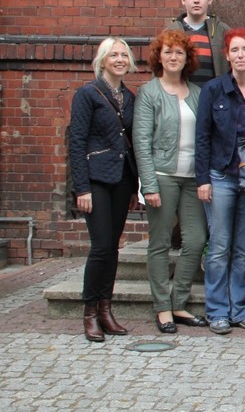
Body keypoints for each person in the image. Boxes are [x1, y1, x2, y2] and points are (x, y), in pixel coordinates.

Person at [195, 28, 245, 335]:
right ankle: (216, 310)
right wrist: (202, 179)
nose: (240, 55)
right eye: (235, 50)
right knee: (219, 245)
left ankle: (238, 309)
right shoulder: (213, 90)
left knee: (242, 248)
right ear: (227, 56)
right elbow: (202, 137)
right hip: (221, 175)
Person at [133, 30, 207, 334]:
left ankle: (178, 302)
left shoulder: (197, 93)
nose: (173, 57)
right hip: (162, 176)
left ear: (187, 58)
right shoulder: (149, 93)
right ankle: (162, 307)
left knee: (196, 240)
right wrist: (148, 184)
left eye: (179, 52)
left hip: (192, 178)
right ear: (158, 57)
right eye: (168, 52)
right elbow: (141, 142)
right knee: (161, 243)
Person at [69, 37, 139, 342]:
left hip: (122, 179)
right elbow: (76, 142)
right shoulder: (87, 94)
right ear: (103, 60)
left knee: (112, 247)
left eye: (124, 55)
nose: (120, 60)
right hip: (96, 179)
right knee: (100, 247)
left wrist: (135, 186)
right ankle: (89, 313)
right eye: (114, 55)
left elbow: (132, 143)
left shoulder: (129, 97)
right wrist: (81, 188)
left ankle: (106, 309)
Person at [166, 0, 230, 87]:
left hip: (215, 95)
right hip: (180, 94)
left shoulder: (223, 31)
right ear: (183, 0)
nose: (196, 1)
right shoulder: (170, 32)